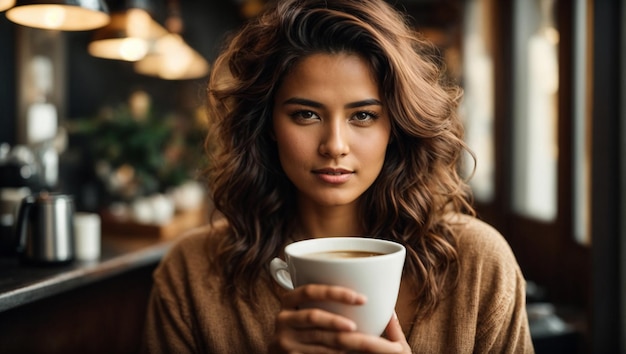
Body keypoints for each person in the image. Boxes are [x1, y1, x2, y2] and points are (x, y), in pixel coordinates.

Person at [141, 0, 534, 353]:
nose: (334, 145)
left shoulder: (479, 264)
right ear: (269, 124)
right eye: (306, 114)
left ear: (394, 127)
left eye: (363, 115)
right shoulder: (191, 274)